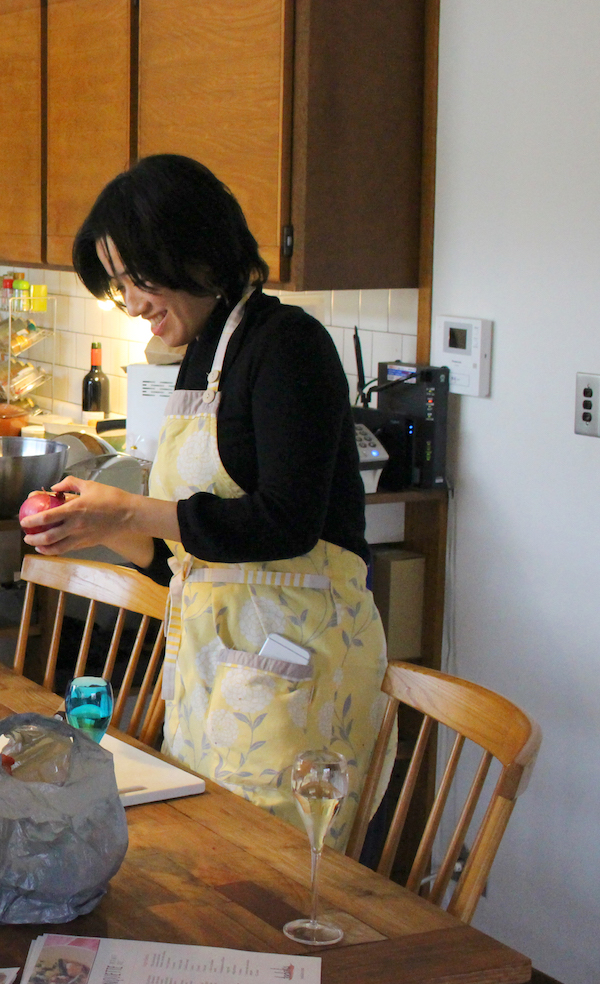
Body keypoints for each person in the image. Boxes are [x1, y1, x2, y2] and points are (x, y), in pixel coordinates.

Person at [20, 155, 392, 848]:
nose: (130, 302)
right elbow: (182, 561)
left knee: (276, 878)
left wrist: (129, 510)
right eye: (119, 283)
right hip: (214, 673)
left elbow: (285, 519)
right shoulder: (202, 353)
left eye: (136, 278)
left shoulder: (288, 346)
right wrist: (99, 528)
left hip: (294, 673)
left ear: (192, 251)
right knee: (217, 864)